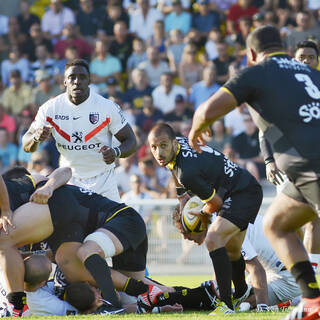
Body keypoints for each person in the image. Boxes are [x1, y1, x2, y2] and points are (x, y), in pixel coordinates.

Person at [188, 25, 320, 320]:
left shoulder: (257, 72)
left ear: (250, 54)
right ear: (284, 47)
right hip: (302, 173)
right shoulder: (310, 73)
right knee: (276, 225)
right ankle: (312, 301)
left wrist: (197, 129)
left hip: (310, 165)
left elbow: (207, 109)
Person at [0, 166, 162, 316]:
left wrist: (48, 187)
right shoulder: (23, 227)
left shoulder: (29, 192)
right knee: (72, 275)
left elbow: (64, 171)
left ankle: (18, 307)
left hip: (81, 221)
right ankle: (147, 292)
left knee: (59, 274)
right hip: (54, 273)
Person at [148, 122, 263, 313]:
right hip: (239, 187)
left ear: (174, 143)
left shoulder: (188, 173)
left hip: (242, 193)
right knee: (233, 250)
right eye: (153, 147)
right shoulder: (180, 147)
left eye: (163, 145)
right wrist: (182, 197)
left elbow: (215, 203)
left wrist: (202, 214)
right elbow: (172, 167)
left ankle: (225, 305)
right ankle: (242, 291)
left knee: (214, 239)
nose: (158, 152)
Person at [22, 59, 136, 201]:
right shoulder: (50, 108)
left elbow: (131, 140)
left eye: (82, 77)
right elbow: (26, 145)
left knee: (111, 223)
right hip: (68, 180)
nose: (77, 81)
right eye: (72, 77)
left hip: (104, 180)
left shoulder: (107, 107)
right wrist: (36, 138)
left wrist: (116, 152)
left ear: (89, 81)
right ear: (64, 82)